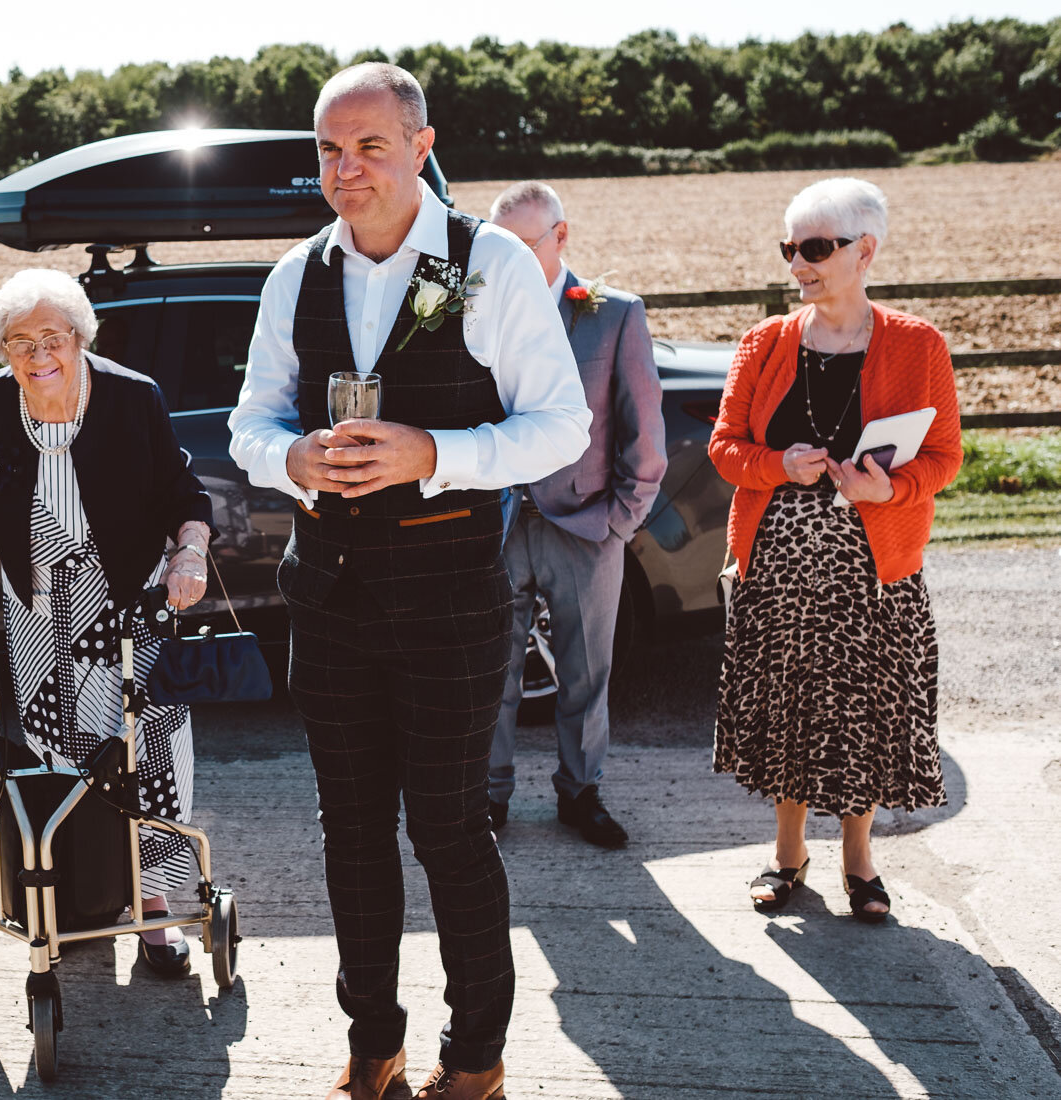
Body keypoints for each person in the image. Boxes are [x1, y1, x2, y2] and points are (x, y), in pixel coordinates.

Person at [229, 63, 591, 1100]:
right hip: (330, 597)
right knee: (349, 833)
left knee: (446, 829)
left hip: (452, 599)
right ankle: (370, 1047)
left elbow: (558, 425)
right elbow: (249, 420)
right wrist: (290, 459)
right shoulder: (295, 274)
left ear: (422, 147)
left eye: (371, 146)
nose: (347, 169)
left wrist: (433, 450)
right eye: (329, 150)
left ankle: (475, 1057)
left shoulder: (491, 263)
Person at [0, 268, 216, 975]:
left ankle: (154, 908)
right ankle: (69, 892)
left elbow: (185, 493)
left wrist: (189, 556)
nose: (38, 356)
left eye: (52, 338)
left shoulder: (130, 398)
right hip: (37, 612)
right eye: (20, 342)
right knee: (53, 751)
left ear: (79, 337)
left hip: (129, 605)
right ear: (2, 350)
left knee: (148, 748)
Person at [708, 178, 962, 923]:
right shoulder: (765, 343)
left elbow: (944, 457)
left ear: (865, 251)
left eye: (817, 248)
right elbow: (725, 448)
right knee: (789, 710)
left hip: (873, 574)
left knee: (864, 716)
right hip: (779, 569)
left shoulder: (919, 344)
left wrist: (888, 492)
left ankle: (860, 861)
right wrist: (777, 466)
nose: (800, 265)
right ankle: (788, 856)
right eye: (792, 248)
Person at [484, 182, 667, 847]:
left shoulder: (613, 315)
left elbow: (643, 431)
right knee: (489, 674)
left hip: (586, 526)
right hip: (496, 527)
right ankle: (490, 796)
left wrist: (620, 520)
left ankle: (581, 793)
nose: (503, 260)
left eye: (520, 244)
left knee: (586, 674)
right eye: (494, 245)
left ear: (561, 237)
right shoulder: (476, 312)